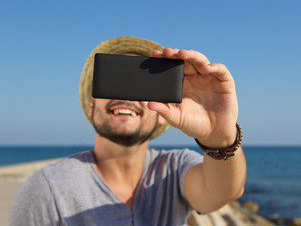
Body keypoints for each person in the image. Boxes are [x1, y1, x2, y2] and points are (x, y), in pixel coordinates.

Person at [9, 36, 246, 226]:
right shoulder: (46, 189)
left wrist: (219, 136)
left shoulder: (174, 168)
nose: (127, 96)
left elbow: (223, 192)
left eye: (144, 85)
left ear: (163, 115)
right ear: (92, 105)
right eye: (118, 81)